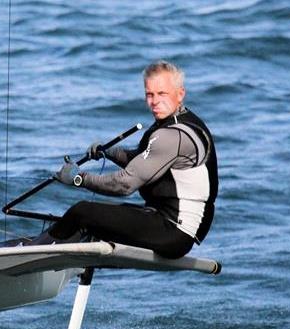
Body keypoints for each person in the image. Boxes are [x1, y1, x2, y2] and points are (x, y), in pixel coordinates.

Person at [46, 60, 218, 259]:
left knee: (82, 212)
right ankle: (48, 247)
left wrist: (79, 179)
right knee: (98, 218)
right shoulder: (181, 121)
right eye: (149, 94)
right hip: (165, 222)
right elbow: (145, 160)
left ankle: (37, 252)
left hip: (173, 232)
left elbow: (125, 184)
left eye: (162, 94)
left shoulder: (173, 136)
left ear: (180, 94)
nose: (154, 101)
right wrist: (108, 152)